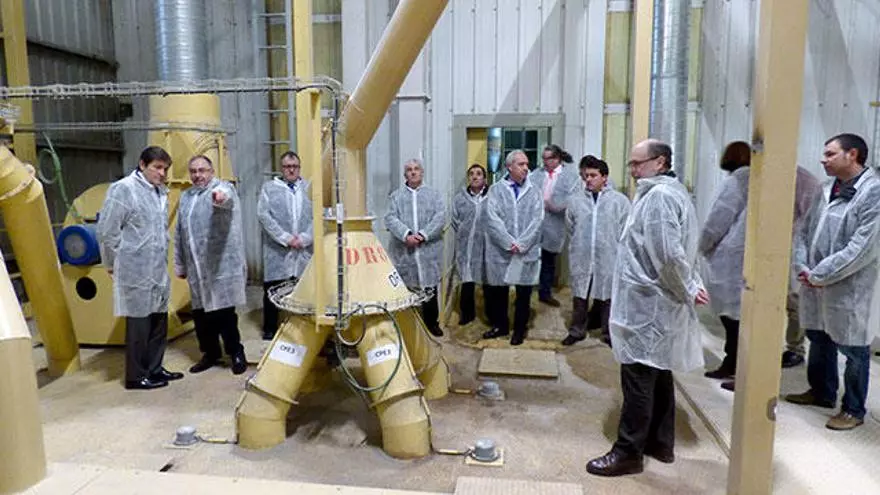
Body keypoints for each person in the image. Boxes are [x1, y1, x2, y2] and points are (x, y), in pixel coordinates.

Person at [587, 139, 708, 477]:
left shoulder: (659, 197)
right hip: (654, 304)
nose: (633, 170)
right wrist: (688, 285)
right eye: (631, 164)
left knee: (639, 379)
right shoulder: (665, 193)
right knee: (659, 373)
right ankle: (660, 442)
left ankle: (628, 452)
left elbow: (668, 254)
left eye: (638, 163)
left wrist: (688, 287)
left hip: (648, 306)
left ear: (660, 162)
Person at [785, 133, 880, 431]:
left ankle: (853, 408)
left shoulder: (873, 193)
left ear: (852, 155)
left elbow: (861, 248)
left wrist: (821, 274)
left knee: (853, 349)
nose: (822, 159)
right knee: (818, 337)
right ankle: (822, 391)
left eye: (830, 154)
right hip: (814, 281)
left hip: (849, 286)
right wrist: (803, 267)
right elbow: (803, 232)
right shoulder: (826, 189)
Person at [97, 146, 184, 390]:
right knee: (139, 325)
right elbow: (107, 231)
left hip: (156, 268)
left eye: (165, 169)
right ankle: (136, 376)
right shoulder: (124, 189)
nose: (162, 173)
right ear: (142, 164)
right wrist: (112, 263)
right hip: (134, 268)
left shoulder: (159, 191)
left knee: (158, 321)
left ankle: (155, 368)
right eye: (157, 167)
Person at [174, 155, 248, 375]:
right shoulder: (186, 197)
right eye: (193, 171)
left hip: (220, 267)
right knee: (201, 316)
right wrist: (180, 263)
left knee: (224, 314)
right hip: (196, 268)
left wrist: (220, 198)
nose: (198, 175)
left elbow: (226, 198)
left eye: (202, 170)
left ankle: (236, 352)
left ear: (212, 171)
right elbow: (179, 233)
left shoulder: (222, 189)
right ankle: (210, 353)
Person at [562, 155, 630, 346]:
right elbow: (570, 226)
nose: (589, 179)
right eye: (586, 176)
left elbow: (625, 231)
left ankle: (608, 333)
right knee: (580, 295)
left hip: (609, 256)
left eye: (593, 175)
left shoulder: (619, 202)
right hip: (582, 255)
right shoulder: (575, 201)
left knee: (608, 296)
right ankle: (577, 330)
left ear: (604, 177)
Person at [482, 150, 544, 346]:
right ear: (509, 167)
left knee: (523, 293)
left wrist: (522, 243)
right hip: (501, 250)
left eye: (527, 164)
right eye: (521, 164)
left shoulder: (535, 191)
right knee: (499, 292)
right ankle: (501, 326)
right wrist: (509, 242)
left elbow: (537, 220)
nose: (526, 168)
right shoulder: (495, 190)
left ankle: (519, 330)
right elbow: (492, 220)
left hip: (526, 250)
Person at [700, 142, 750, 382]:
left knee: (733, 321)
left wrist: (702, 245)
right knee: (740, 319)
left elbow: (719, 218)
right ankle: (736, 365)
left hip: (730, 259)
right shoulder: (760, 179)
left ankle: (734, 365)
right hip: (746, 258)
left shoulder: (736, 182)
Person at [383, 158, 447, 336]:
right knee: (407, 290)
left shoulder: (434, 195)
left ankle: (432, 324)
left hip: (428, 251)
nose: (413, 172)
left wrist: (423, 235)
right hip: (405, 252)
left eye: (416, 169)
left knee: (429, 288)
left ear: (422, 172)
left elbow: (440, 217)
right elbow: (390, 218)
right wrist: (407, 234)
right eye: (409, 170)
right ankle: (409, 326)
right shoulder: (396, 196)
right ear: (405, 174)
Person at [257, 151, 313, 340]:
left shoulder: (309, 188)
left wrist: (305, 238)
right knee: (273, 289)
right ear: (281, 169)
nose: (291, 170)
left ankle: (304, 327)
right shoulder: (269, 188)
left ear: (299, 168)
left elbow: (319, 214)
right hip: (277, 250)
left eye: (294, 166)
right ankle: (270, 328)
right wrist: (285, 237)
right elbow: (264, 215)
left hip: (304, 248)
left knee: (305, 288)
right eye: (287, 166)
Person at [781, 165, 823, 369]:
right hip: (772, 246)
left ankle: (795, 349)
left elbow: (810, 220)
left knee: (794, 300)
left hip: (792, 247)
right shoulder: (763, 172)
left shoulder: (803, 180)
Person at [529, 144, 579, 307]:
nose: (545, 162)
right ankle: (525, 293)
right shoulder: (536, 174)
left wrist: (558, 206)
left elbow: (574, 197)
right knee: (529, 259)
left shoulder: (570, 176)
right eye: (543, 158)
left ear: (557, 159)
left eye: (548, 158)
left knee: (548, 260)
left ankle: (545, 293)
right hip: (535, 221)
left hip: (555, 223)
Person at [451, 163, 489, 326]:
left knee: (488, 282)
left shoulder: (492, 197)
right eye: (472, 174)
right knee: (467, 281)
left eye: (478, 174)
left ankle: (490, 314)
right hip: (466, 247)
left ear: (485, 178)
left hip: (487, 247)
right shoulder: (460, 199)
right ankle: (467, 314)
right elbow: (455, 220)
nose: (475, 176)